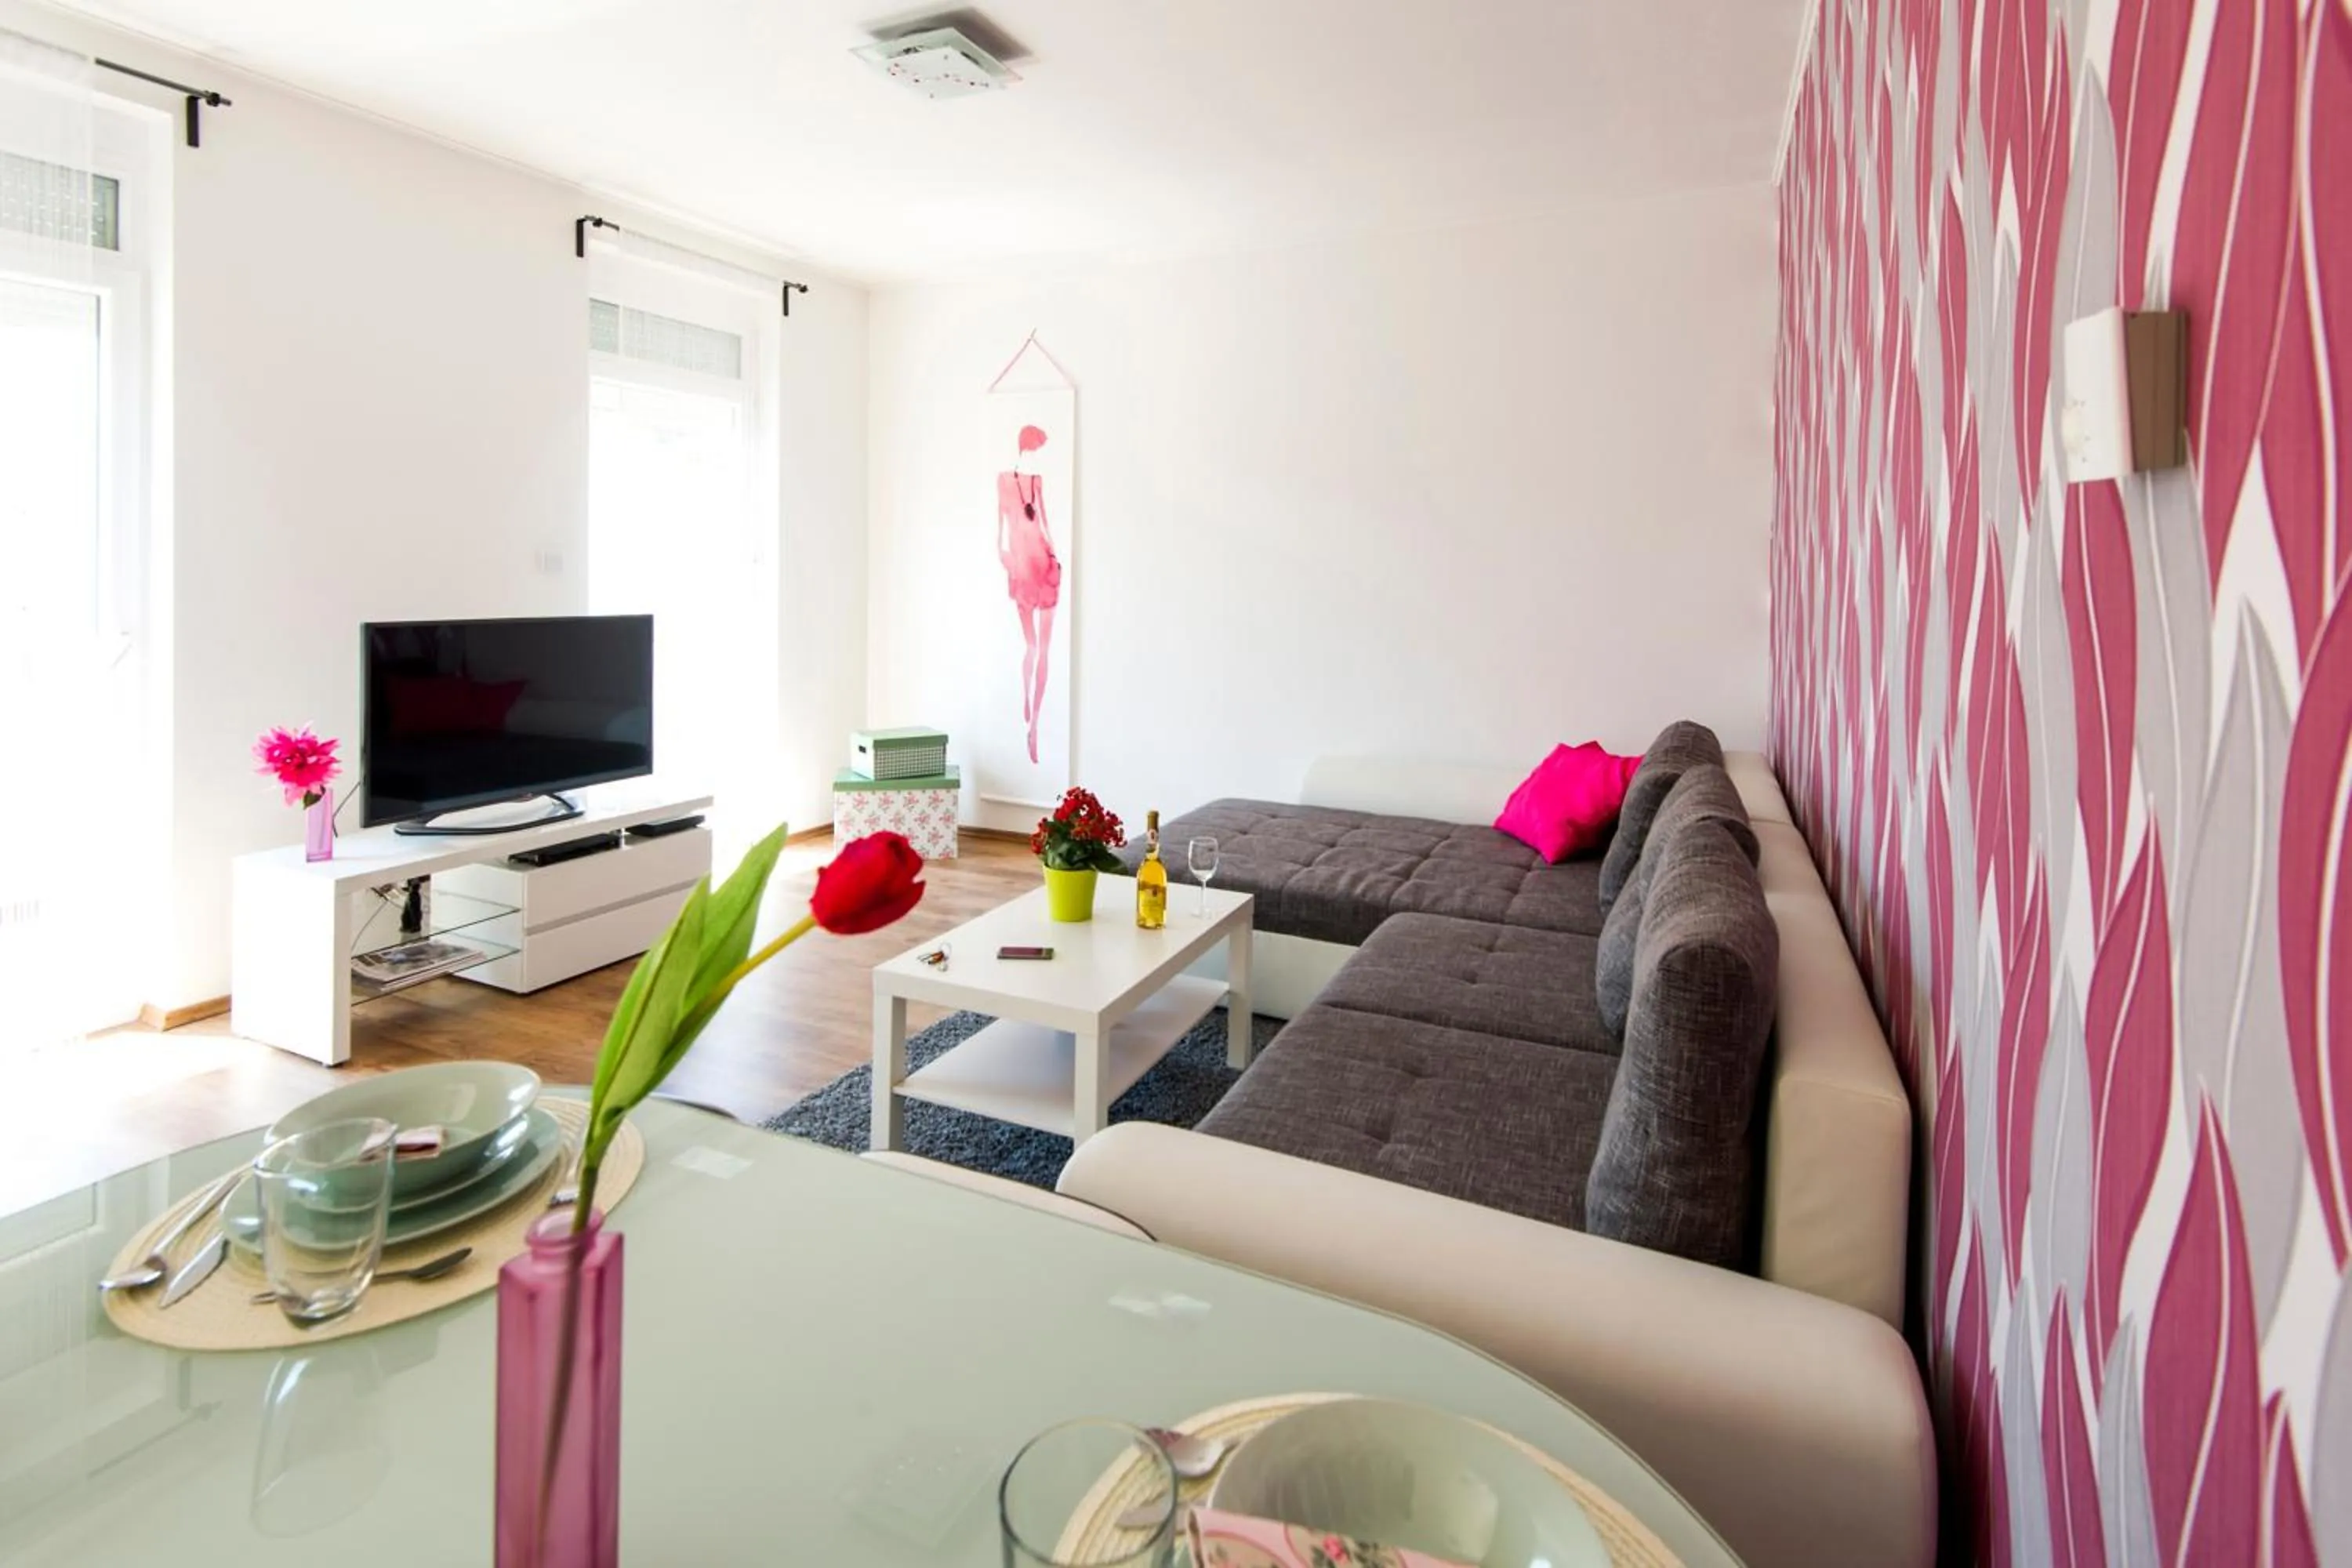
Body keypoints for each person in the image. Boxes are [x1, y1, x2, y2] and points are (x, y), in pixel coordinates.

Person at [996, 423, 1061, 764]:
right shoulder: (1005, 482)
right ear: (1024, 450)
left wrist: (1057, 557)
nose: (1038, 461)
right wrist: (1005, 558)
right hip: (1023, 569)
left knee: (1044, 649)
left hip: (1045, 566)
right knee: (1032, 646)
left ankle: (1034, 723)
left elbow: (1046, 523)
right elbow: (1001, 528)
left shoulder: (1037, 483)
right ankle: (1025, 698)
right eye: (1036, 453)